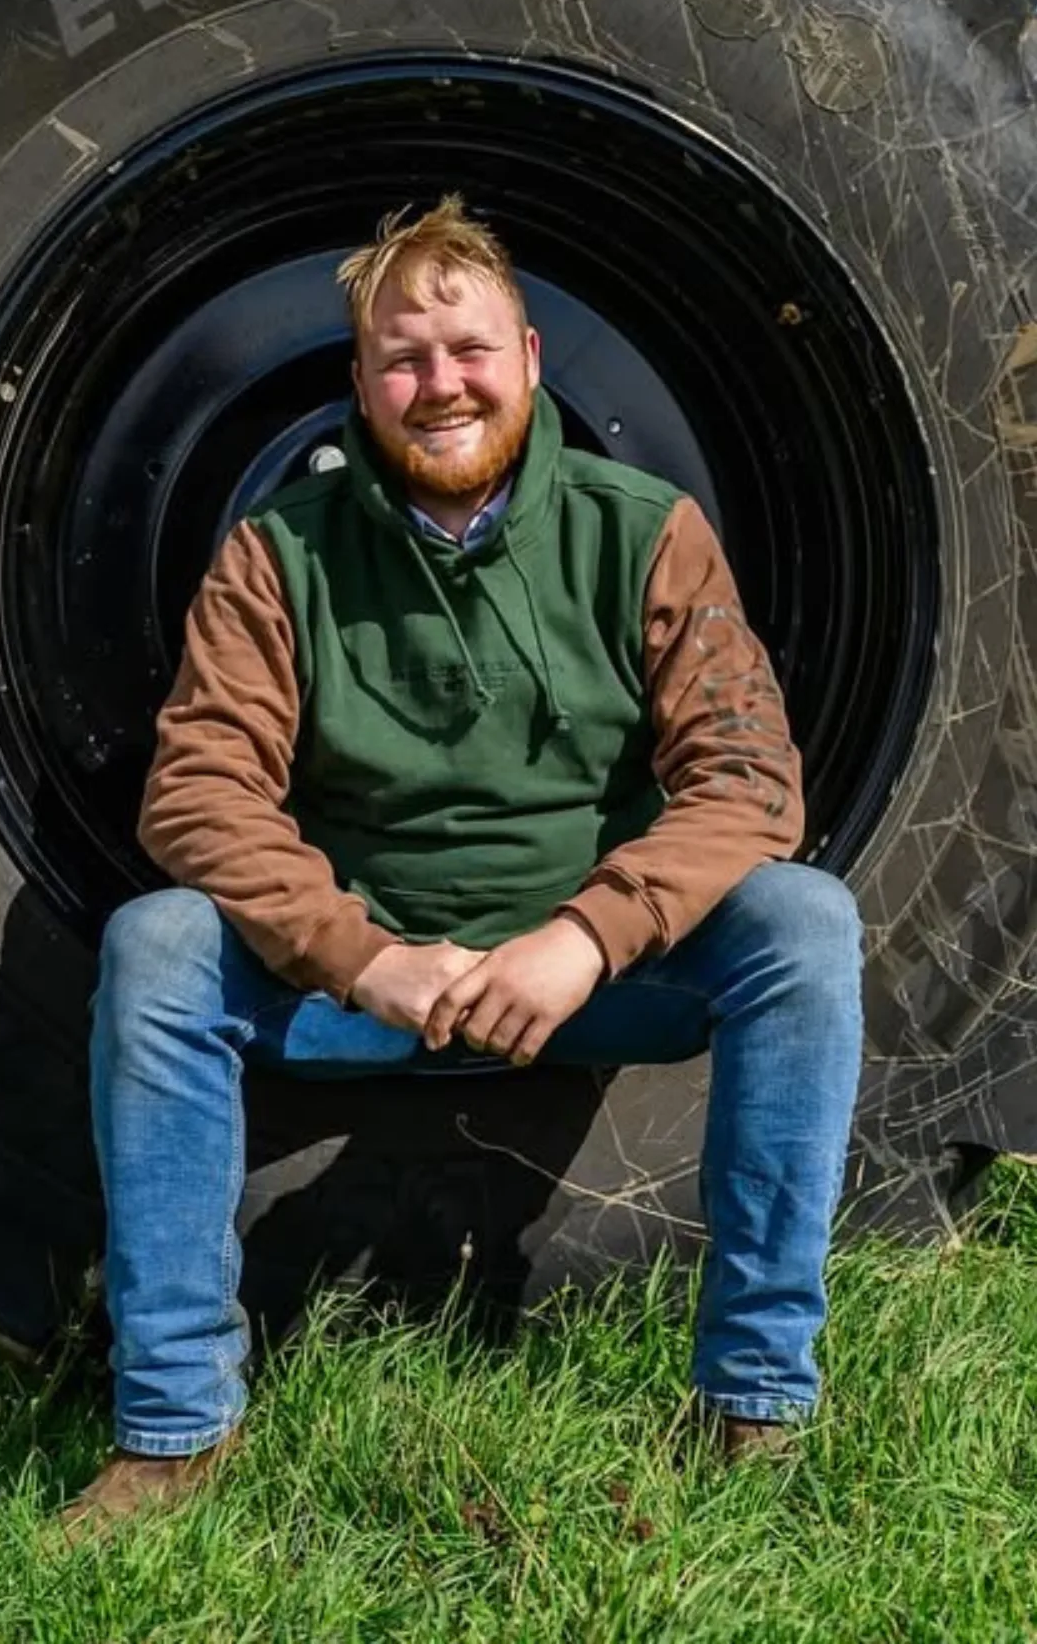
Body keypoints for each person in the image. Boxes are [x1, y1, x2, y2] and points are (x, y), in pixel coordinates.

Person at [62, 195, 863, 1538]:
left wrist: (587, 938)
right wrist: (359, 954)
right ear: (362, 383)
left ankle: (755, 1406)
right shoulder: (277, 559)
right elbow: (198, 794)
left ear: (532, 359)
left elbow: (749, 783)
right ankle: (175, 1430)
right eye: (402, 358)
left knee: (802, 924)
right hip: (362, 982)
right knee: (155, 948)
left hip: (588, 974)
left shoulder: (643, 531)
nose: (441, 385)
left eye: (468, 350)